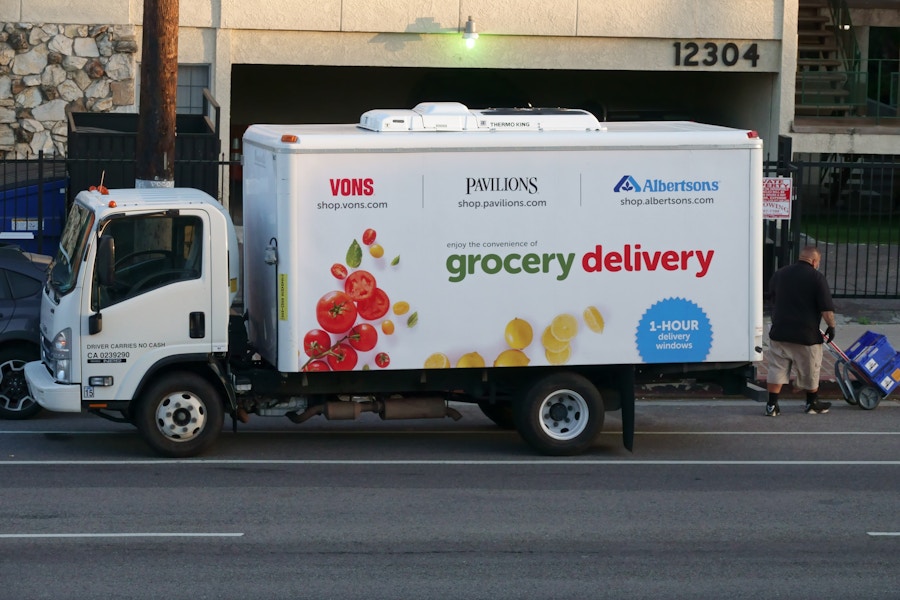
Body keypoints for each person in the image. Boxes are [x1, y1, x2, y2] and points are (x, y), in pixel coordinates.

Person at [765, 245, 836, 416]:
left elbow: (770, 297)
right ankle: (812, 403)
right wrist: (831, 327)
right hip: (806, 335)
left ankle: (772, 406)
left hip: (780, 331)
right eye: (818, 261)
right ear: (814, 261)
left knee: (776, 368)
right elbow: (826, 309)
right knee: (811, 369)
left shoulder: (780, 274)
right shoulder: (817, 278)